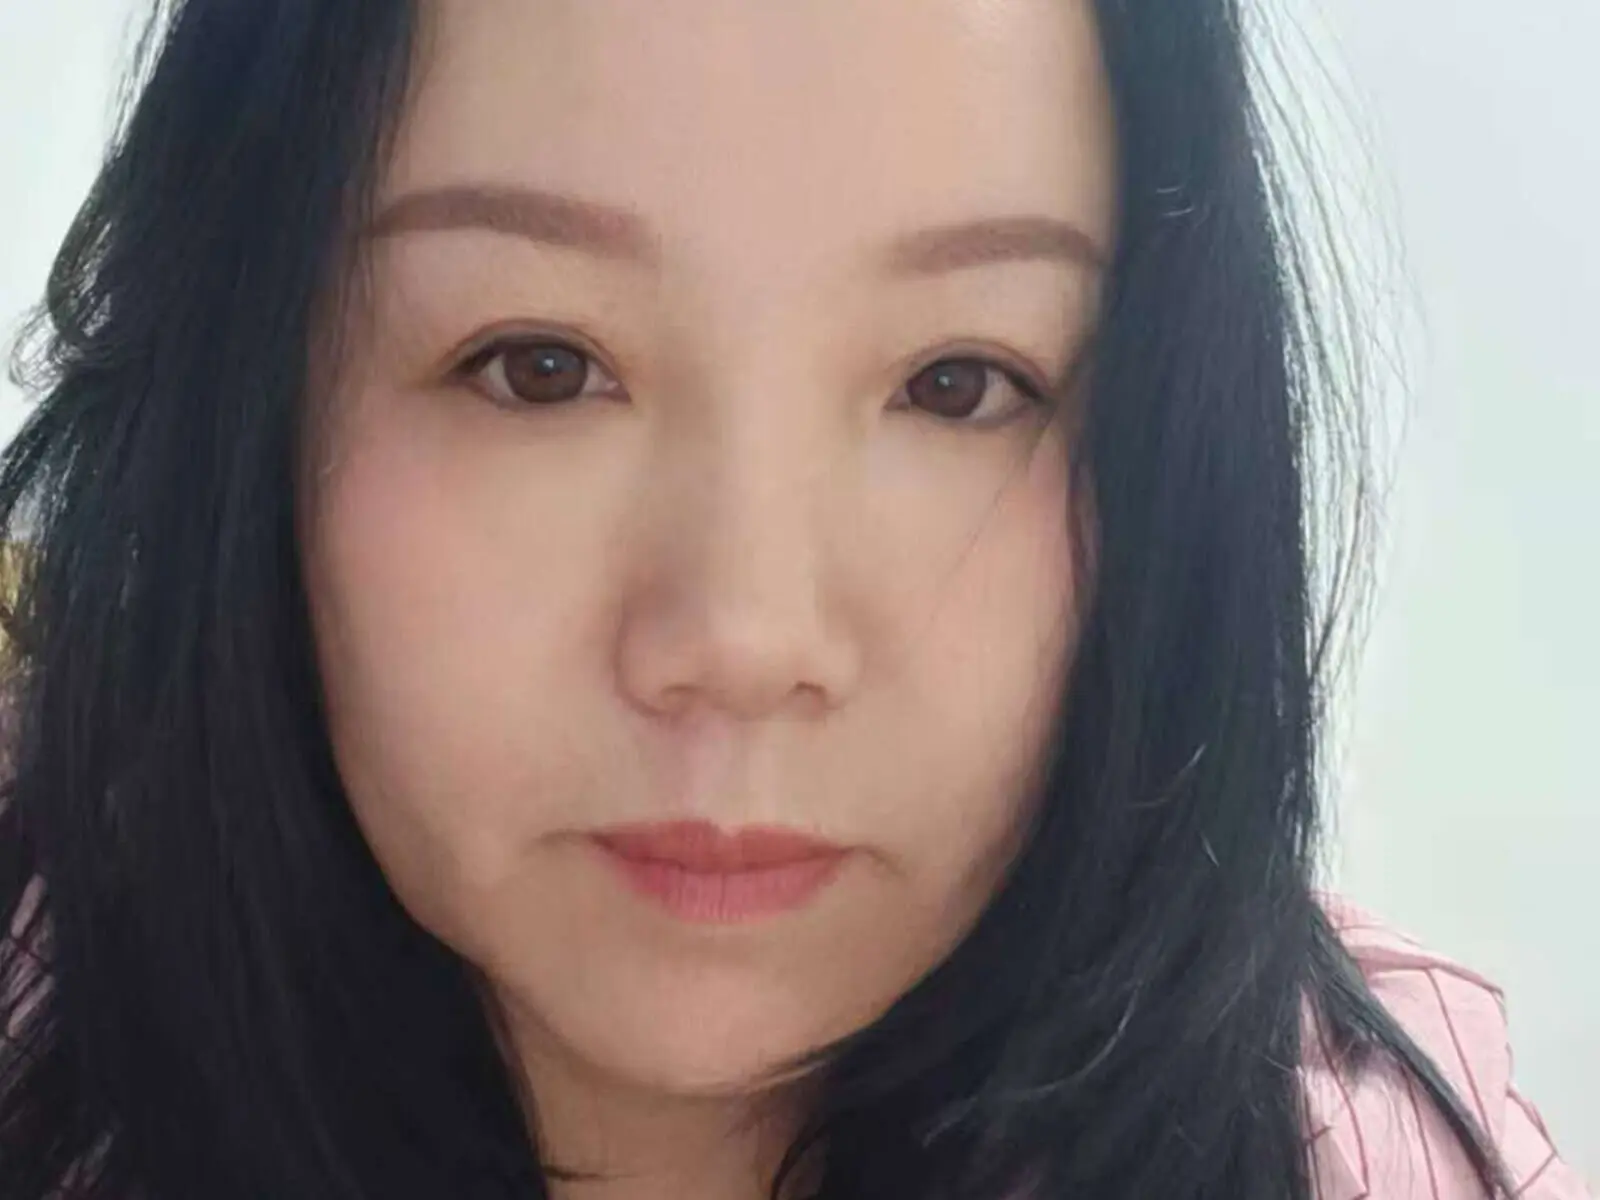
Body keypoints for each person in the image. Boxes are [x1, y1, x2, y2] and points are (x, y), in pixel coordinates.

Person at [0, 2, 1587, 1198]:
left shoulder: (1371, 1153)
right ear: (249, 404)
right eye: (540, 367)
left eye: (958, 384)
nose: (745, 641)